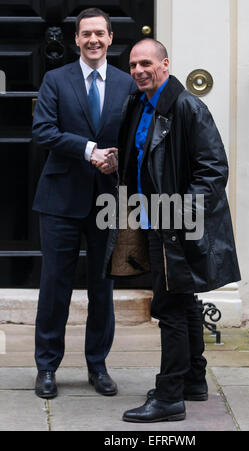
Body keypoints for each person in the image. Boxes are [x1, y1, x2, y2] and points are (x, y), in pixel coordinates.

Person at [103, 38, 241, 423]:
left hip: (175, 224)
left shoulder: (187, 106)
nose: (138, 71)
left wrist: (179, 217)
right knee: (183, 301)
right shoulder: (139, 103)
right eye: (133, 65)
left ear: (165, 64)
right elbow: (146, 157)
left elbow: (213, 170)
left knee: (169, 307)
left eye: (146, 63)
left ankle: (169, 396)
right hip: (153, 220)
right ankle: (193, 381)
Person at [32, 8, 136, 399]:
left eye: (100, 34)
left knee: (102, 287)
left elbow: (135, 136)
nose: (93, 40)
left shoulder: (127, 84)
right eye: (86, 34)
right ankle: (46, 367)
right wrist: (90, 150)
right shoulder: (55, 79)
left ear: (111, 39)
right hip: (60, 198)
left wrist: (116, 158)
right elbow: (44, 131)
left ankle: (98, 365)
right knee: (54, 285)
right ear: (76, 39)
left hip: (107, 198)